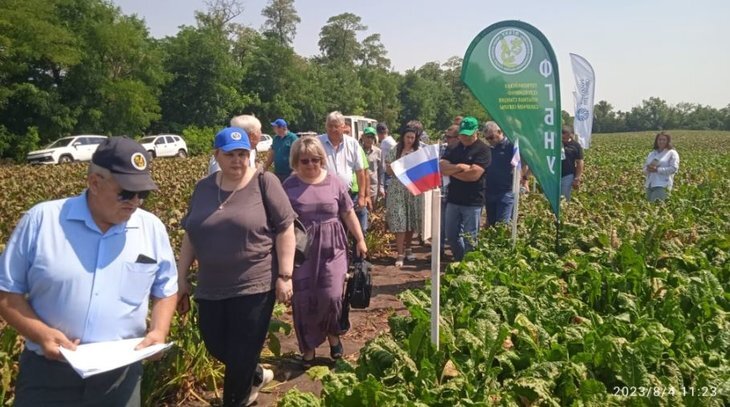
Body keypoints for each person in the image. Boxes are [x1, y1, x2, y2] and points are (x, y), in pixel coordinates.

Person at [0, 137, 178, 406]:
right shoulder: (42, 220)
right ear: (94, 182)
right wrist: (41, 334)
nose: (135, 202)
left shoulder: (151, 228)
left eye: (143, 194)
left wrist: (159, 330)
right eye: (126, 193)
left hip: (120, 378)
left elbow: (166, 288)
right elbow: (6, 293)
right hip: (48, 375)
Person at [177, 127, 296, 407]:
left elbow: (286, 228)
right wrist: (181, 277)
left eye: (243, 154)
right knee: (216, 344)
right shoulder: (203, 188)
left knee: (242, 352)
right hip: (210, 286)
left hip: (254, 284)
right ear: (216, 154)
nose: (237, 160)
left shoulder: (265, 182)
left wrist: (285, 275)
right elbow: (190, 234)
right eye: (230, 154)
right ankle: (256, 375)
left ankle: (235, 399)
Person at [282, 137, 367, 366]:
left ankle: (332, 335)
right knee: (304, 299)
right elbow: (280, 223)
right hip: (301, 249)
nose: (311, 165)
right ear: (296, 161)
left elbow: (348, 213)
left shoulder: (334, 182)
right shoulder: (289, 186)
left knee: (331, 295)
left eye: (316, 160)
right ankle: (308, 347)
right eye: (305, 161)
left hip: (334, 246)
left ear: (322, 159)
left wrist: (360, 239)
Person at [440, 116, 491, 261]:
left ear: (476, 133)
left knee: (470, 237)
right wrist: (460, 168)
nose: (464, 137)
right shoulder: (453, 147)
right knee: (451, 234)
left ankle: (469, 265)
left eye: (468, 135)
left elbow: (474, 175)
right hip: (453, 198)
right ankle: (459, 259)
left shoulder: (483, 150)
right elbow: (442, 167)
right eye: (462, 134)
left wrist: (452, 172)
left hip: (473, 201)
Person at [318, 112, 369, 240]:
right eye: (330, 126)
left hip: (349, 194)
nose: (333, 129)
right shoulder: (318, 142)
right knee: (333, 230)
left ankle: (357, 259)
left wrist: (362, 196)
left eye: (336, 126)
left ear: (343, 127)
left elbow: (360, 171)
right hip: (325, 195)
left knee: (355, 228)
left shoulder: (352, 144)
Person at [385, 126, 424, 267]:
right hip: (397, 190)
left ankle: (409, 248)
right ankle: (400, 253)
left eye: (412, 138)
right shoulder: (395, 150)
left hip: (412, 189)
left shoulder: (418, 152)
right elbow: (389, 171)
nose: (409, 140)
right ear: (403, 137)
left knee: (410, 221)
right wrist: (400, 166)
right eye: (407, 137)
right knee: (400, 221)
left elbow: (421, 171)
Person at [483, 121, 527, 227]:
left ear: (499, 132)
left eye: (492, 137)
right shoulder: (489, 149)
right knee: (492, 223)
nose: (490, 141)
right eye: (487, 139)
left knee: (502, 224)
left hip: (506, 191)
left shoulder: (511, 146)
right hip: (490, 191)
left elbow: (525, 163)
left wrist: (524, 179)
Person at [440, 125, 461, 254]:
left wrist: (451, 169)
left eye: (449, 137)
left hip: (457, 195)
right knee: (442, 226)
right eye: (446, 136)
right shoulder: (443, 149)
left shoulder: (462, 152)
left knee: (458, 229)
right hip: (443, 193)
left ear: (458, 138)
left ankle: (458, 254)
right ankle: (440, 250)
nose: (446, 139)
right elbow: (442, 168)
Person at [643, 131, 680, 202]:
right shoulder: (652, 153)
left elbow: (674, 169)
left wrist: (657, 169)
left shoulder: (671, 153)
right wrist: (647, 169)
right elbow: (644, 169)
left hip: (662, 185)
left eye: (664, 140)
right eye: (659, 139)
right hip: (650, 184)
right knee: (649, 208)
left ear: (668, 141)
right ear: (656, 141)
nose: (661, 141)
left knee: (656, 208)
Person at [265, 118, 298, 183]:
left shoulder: (293, 138)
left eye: (275, 127)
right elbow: (272, 153)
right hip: (277, 172)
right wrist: (266, 166)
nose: (273, 129)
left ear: (283, 128)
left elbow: (298, 155)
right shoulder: (276, 138)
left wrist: (296, 171)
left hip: (289, 173)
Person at [560, 125, 585, 201]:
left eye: (564, 137)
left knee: (564, 198)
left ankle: (565, 210)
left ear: (570, 135)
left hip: (568, 175)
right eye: (561, 136)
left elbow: (580, 162)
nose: (562, 139)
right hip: (553, 174)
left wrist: (577, 177)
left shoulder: (575, 145)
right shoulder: (554, 143)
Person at [361, 127, 382, 204]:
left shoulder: (378, 151)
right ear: (363, 137)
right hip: (361, 187)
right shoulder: (358, 150)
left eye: (372, 137)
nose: (370, 139)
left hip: (373, 188)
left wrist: (381, 187)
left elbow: (381, 171)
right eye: (368, 136)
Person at [377, 122, 397, 197]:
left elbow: (382, 161)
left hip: (388, 173)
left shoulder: (385, 142)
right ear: (387, 131)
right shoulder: (391, 140)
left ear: (378, 133)